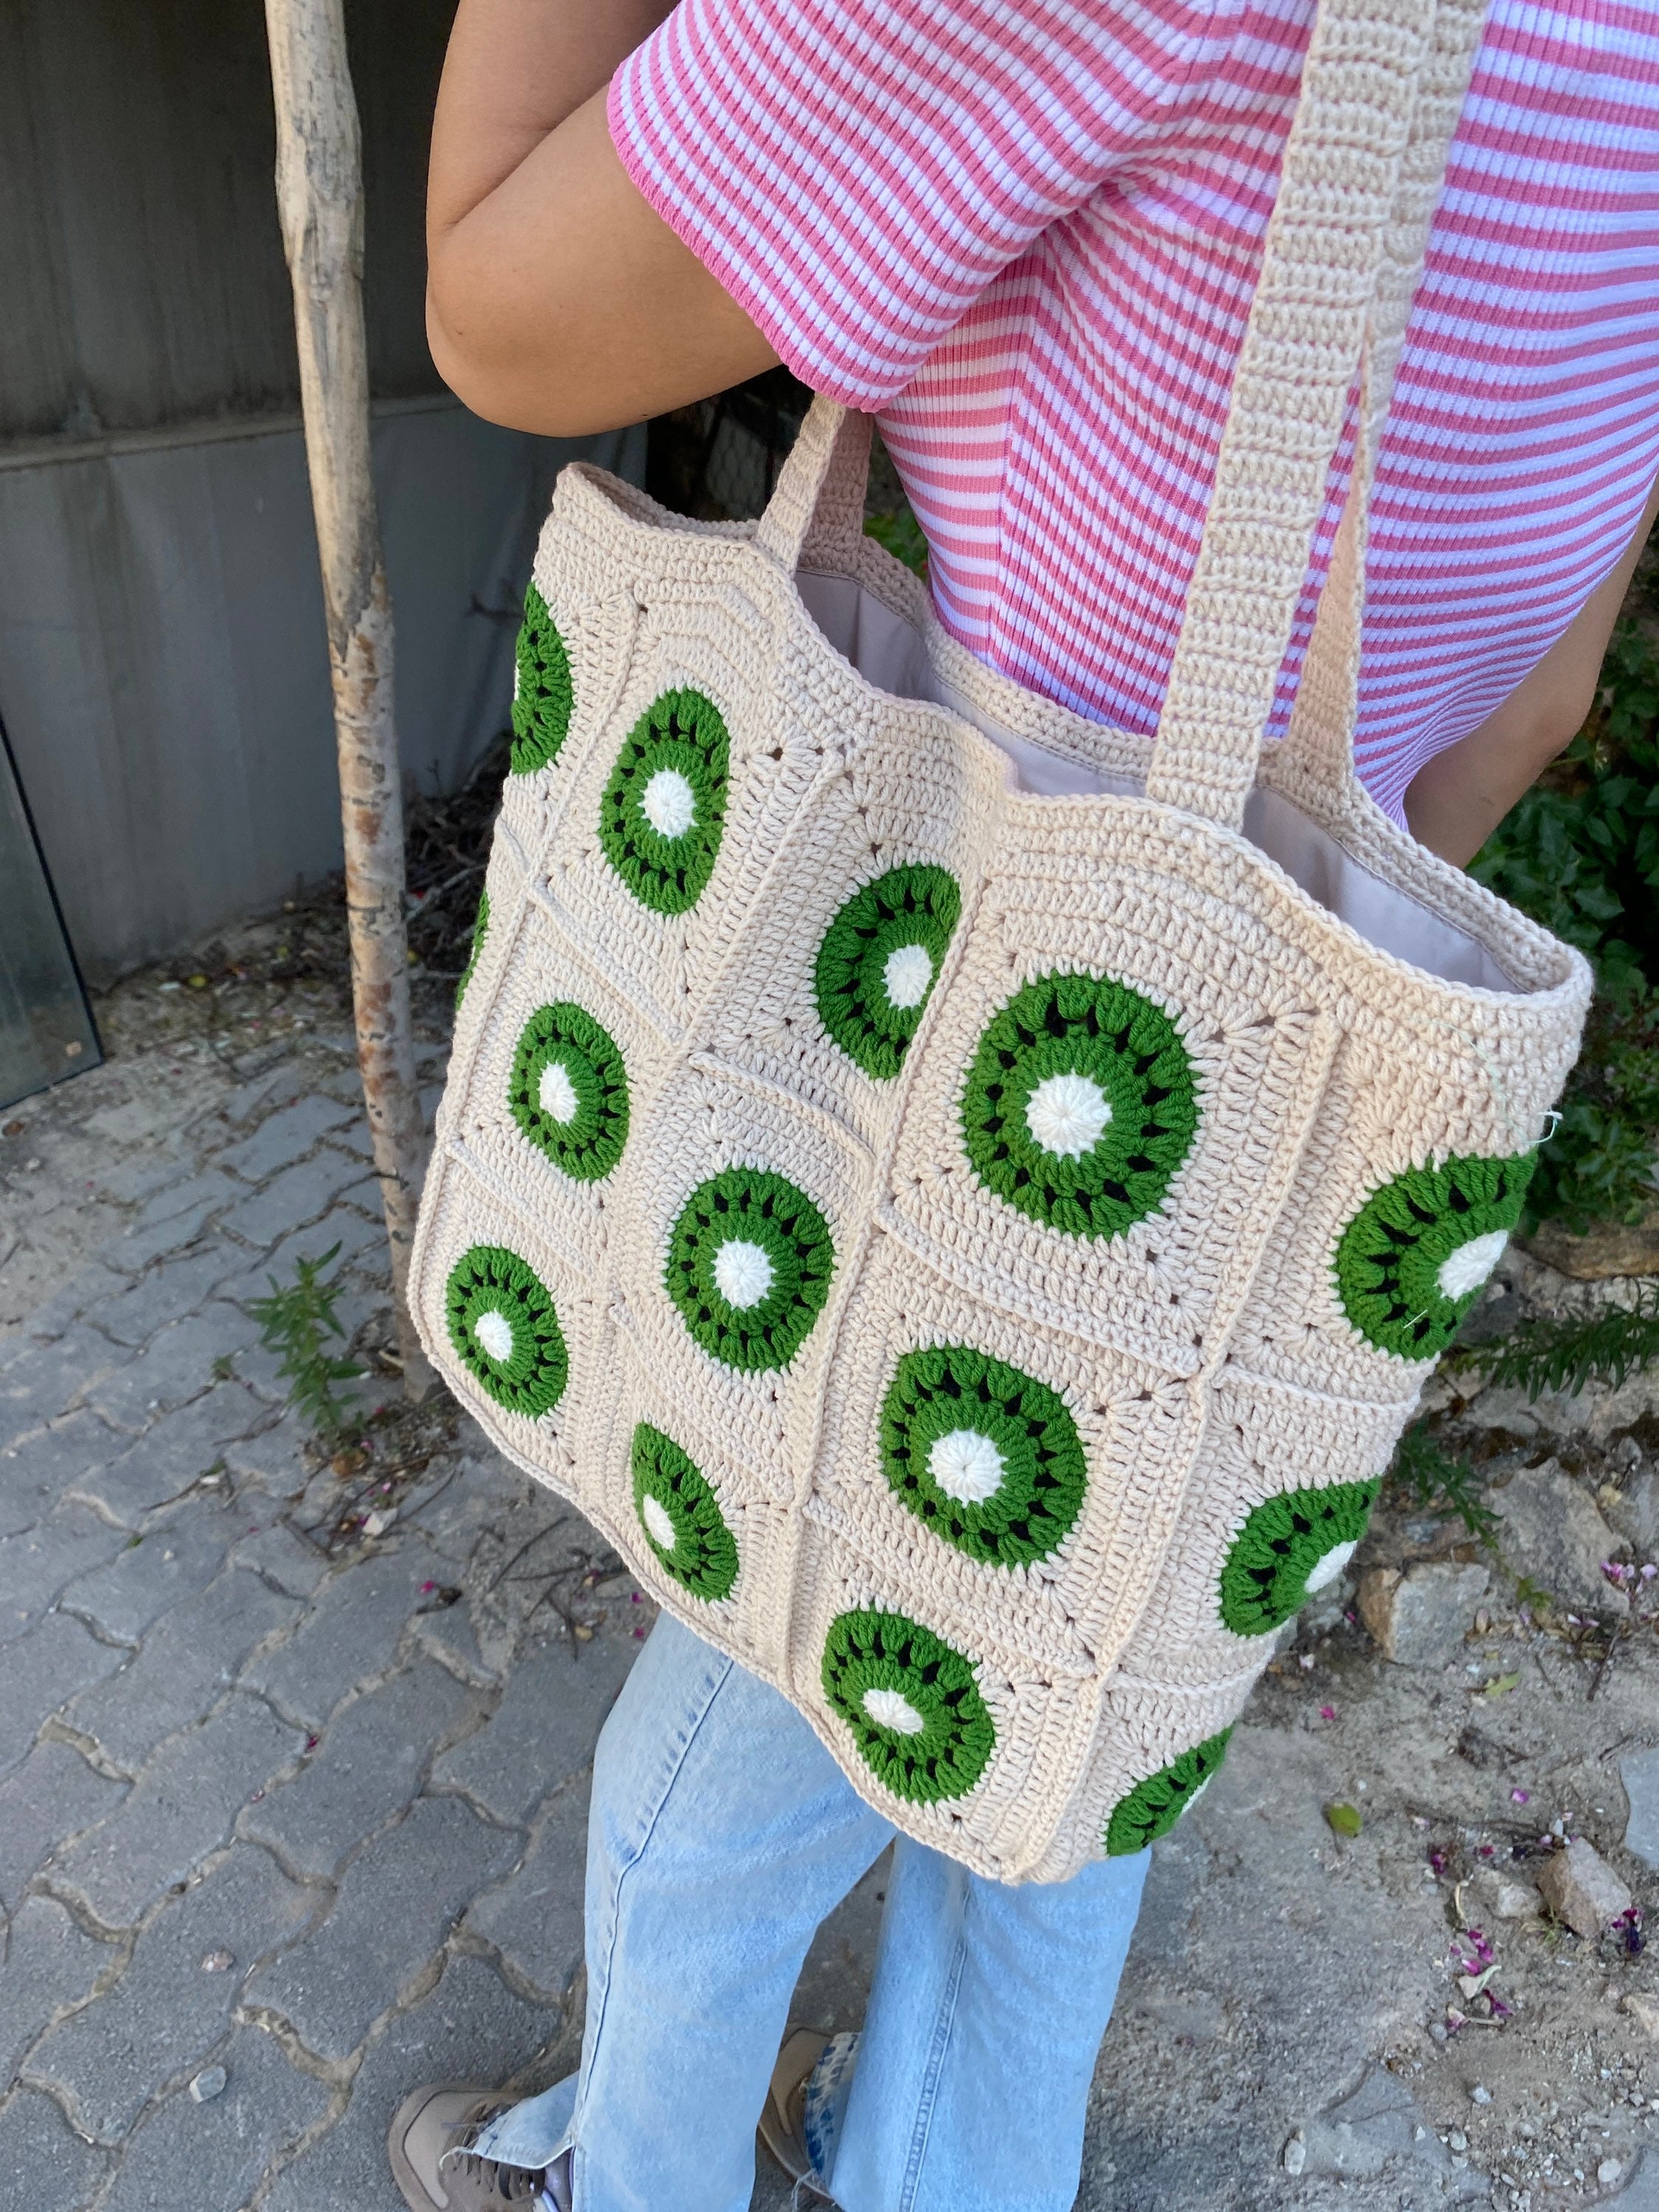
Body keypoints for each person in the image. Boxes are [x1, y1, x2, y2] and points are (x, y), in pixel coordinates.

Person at [394, 4, 1659, 2208]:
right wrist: (1263, 928)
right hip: (1246, 1137)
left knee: (763, 1689)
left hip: (917, 1072)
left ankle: (629, 2178)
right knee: (1084, 1711)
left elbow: (501, 310)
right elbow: (1535, 697)